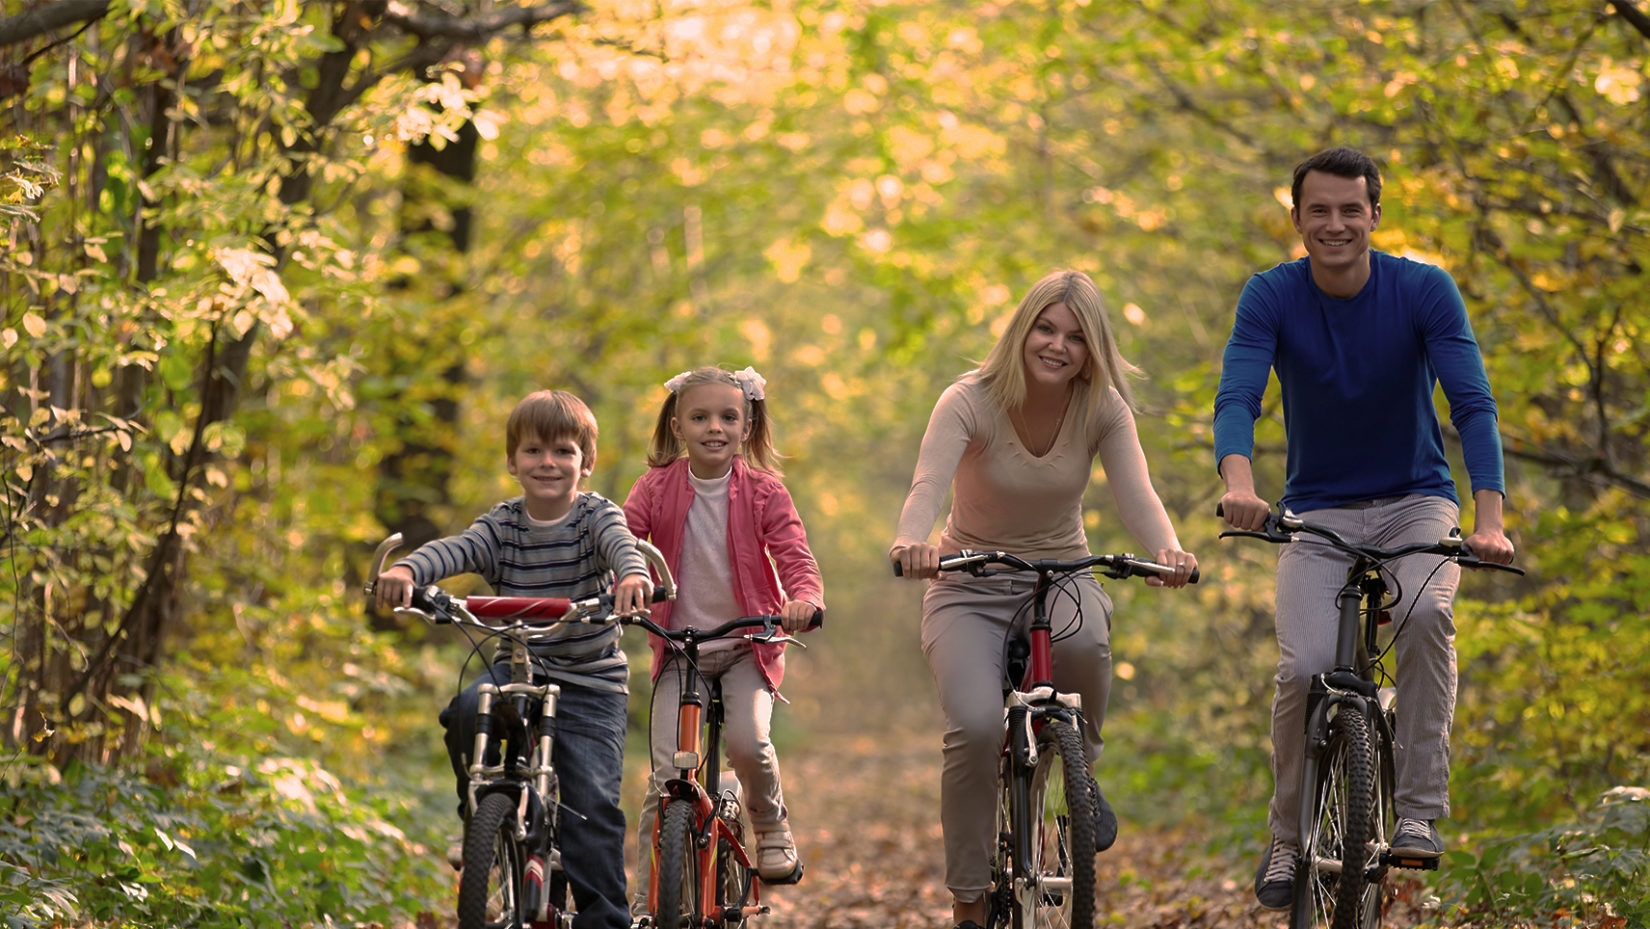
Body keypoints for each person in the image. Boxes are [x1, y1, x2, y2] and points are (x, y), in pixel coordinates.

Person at [1213, 146, 1517, 909]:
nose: (1336, 224)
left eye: (1352, 209)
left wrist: (1490, 522)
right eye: (1319, 210)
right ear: (1298, 218)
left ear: (1375, 215)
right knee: (1302, 664)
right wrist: (1240, 485)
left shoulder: (1423, 290)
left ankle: (1417, 809)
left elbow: (1472, 405)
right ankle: (1288, 836)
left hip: (1417, 498)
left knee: (1424, 612)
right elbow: (1239, 394)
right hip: (1317, 510)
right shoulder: (1271, 296)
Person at [890, 270, 1197, 929]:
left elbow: (1136, 492)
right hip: (968, 580)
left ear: (1093, 349)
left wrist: (1167, 548)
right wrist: (911, 541)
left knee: (1087, 640)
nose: (1058, 346)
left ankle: (1079, 782)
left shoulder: (1103, 407)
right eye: (1046, 328)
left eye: (1076, 337)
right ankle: (969, 899)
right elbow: (926, 484)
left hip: (1061, 573)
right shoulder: (967, 399)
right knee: (973, 727)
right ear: (1022, 330)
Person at [374, 388, 651, 929]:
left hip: (589, 683)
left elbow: (622, 546)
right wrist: (408, 572)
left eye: (564, 451)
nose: (548, 462)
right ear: (512, 461)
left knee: (591, 809)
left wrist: (633, 574)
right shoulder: (501, 526)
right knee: (463, 710)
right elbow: (454, 548)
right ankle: (480, 820)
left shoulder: (596, 517)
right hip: (518, 669)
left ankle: (606, 918)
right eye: (533, 451)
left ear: (586, 463)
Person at [623, 366, 825, 907]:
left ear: (746, 424)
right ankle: (648, 901)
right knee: (667, 775)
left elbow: (795, 557)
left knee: (748, 743)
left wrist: (802, 599)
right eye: (700, 416)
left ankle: (771, 823)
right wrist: (627, 579)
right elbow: (624, 542)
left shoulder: (764, 493)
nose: (714, 427)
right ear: (677, 425)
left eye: (728, 417)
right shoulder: (654, 488)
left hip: (745, 647)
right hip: (678, 649)